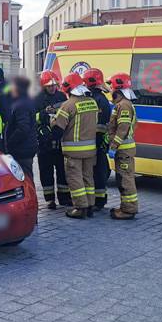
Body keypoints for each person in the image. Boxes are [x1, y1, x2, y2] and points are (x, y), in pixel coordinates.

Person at [52, 72, 98, 219]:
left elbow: (58, 129)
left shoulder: (68, 105)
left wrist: (52, 121)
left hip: (74, 151)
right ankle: (90, 205)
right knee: (88, 178)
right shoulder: (92, 102)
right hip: (90, 149)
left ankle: (80, 207)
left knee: (75, 178)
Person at [34, 70, 70, 209]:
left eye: (54, 85)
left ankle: (64, 198)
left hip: (60, 141)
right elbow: (33, 118)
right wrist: (44, 113)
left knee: (63, 171)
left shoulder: (62, 96)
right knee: (46, 172)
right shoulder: (37, 99)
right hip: (44, 142)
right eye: (49, 86)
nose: (53, 88)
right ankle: (49, 200)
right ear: (43, 86)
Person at [106, 72, 139, 219]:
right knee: (123, 178)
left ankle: (128, 210)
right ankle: (125, 207)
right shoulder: (123, 104)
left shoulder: (124, 105)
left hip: (123, 149)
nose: (111, 91)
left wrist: (113, 146)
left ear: (118, 90)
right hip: (125, 149)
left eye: (112, 88)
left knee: (125, 179)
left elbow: (123, 128)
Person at [83, 68, 111, 211]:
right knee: (99, 170)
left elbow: (98, 125)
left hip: (96, 142)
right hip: (98, 142)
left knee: (98, 171)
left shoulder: (97, 100)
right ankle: (98, 199)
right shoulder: (99, 98)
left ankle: (99, 201)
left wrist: (97, 142)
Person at [4, 75, 37, 178]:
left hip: (21, 149)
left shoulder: (21, 105)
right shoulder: (25, 101)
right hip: (26, 147)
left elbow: (23, 128)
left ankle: (29, 194)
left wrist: (10, 142)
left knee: (25, 177)